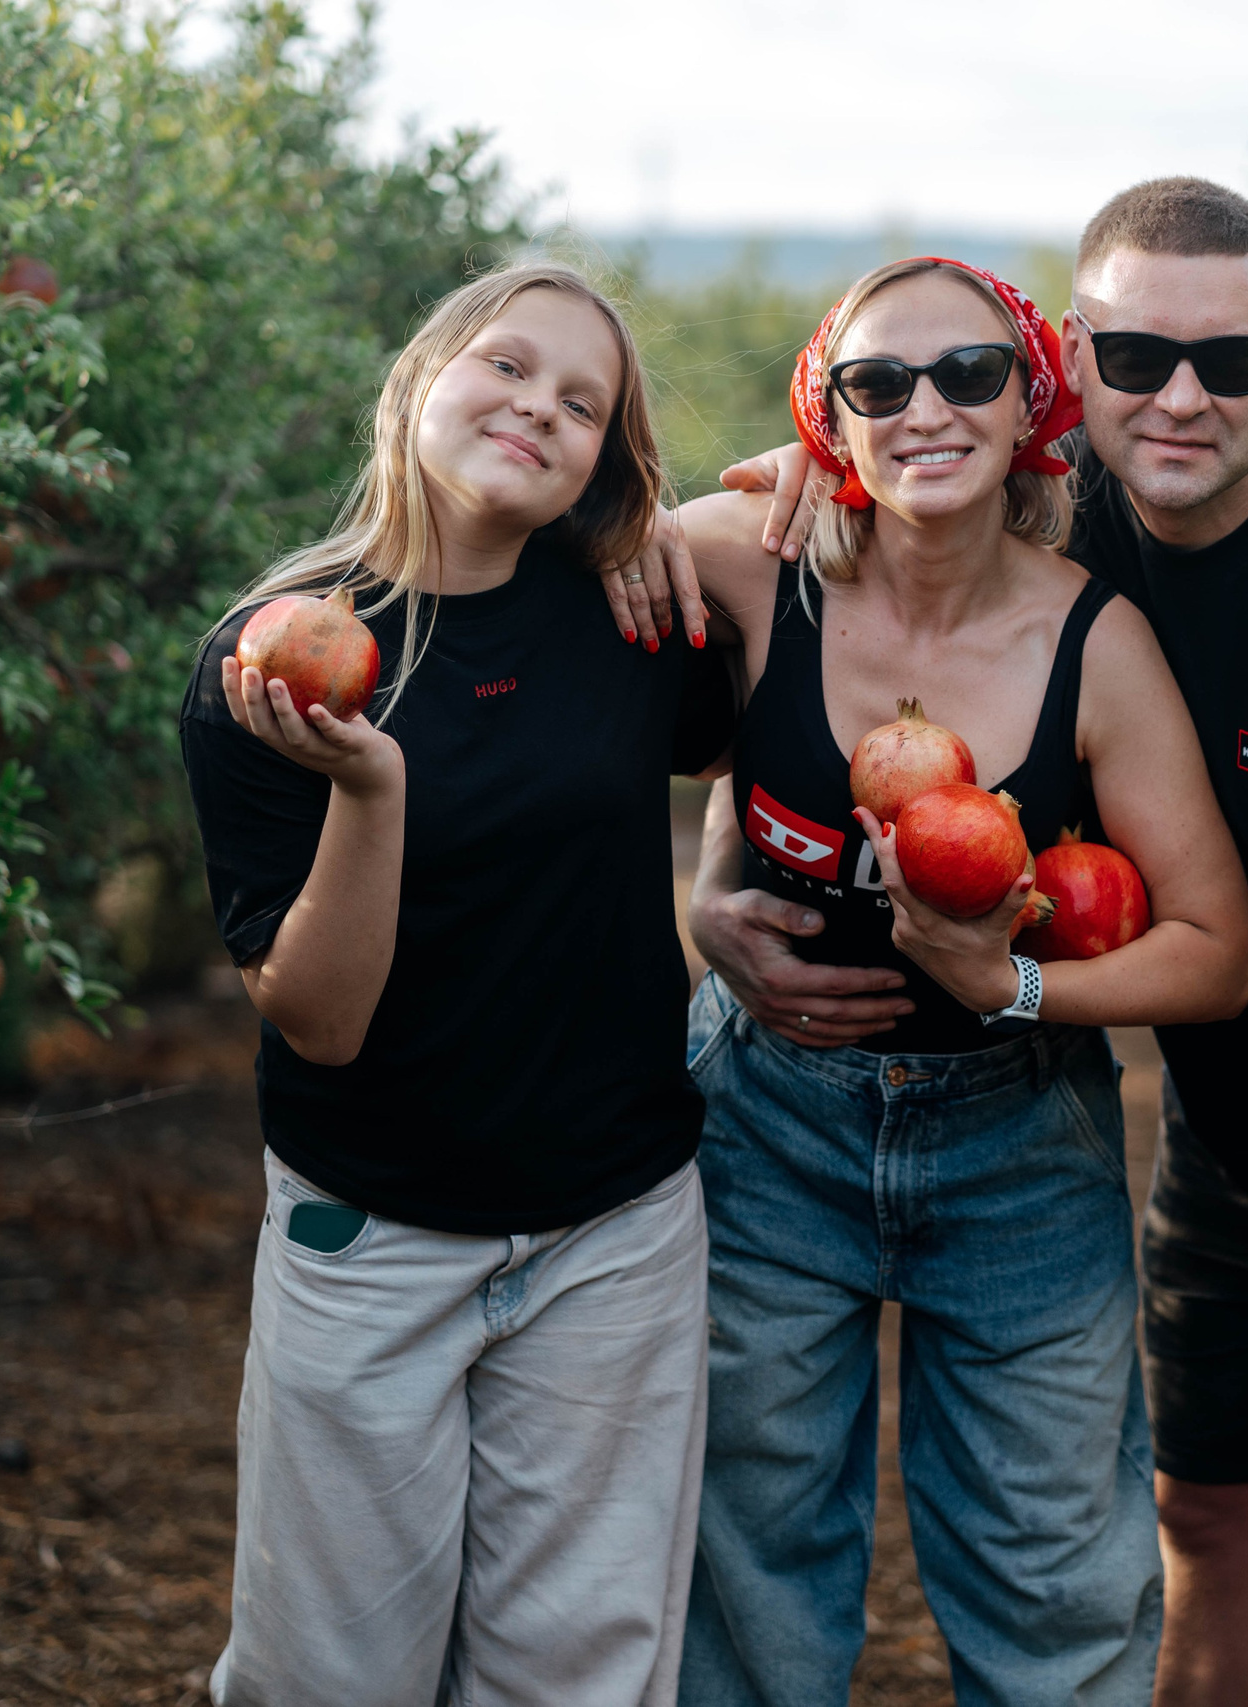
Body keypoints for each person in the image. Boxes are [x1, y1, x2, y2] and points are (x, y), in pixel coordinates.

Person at [633, 181, 1248, 1707]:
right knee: (1206, 1510)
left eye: (1229, 364)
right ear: (1077, 366)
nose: (1180, 396)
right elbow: (804, 691)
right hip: (1232, 1135)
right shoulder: (1047, 494)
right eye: (1140, 355)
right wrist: (717, 894)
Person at [658, 255, 1248, 1706]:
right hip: (767, 1120)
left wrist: (1018, 991)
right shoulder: (750, 563)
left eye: (969, 374)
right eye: (877, 384)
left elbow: (1217, 949)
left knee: (1053, 1583)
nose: (926, 406)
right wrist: (698, 902)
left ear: (1032, 402)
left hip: (1016, 1138)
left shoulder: (1092, 642)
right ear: (830, 418)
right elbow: (567, 564)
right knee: (747, 1569)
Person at [179, 260, 735, 1707]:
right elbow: (319, 1018)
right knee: (329, 1676)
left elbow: (817, 562)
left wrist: (766, 477)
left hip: (613, 1228)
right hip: (373, 1231)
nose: (536, 409)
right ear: (425, 373)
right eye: (506, 365)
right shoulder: (278, 663)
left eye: (582, 404)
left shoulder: (630, 620)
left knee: (579, 1671)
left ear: (604, 464)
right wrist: (370, 793)